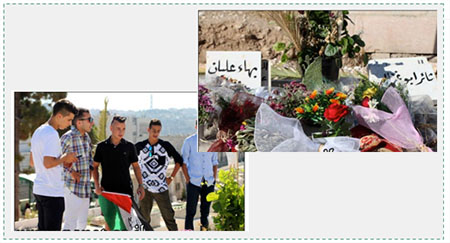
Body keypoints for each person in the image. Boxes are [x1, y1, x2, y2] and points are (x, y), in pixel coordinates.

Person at [30, 99, 79, 231]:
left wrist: (61, 163)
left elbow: (32, 161)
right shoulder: (52, 134)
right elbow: (48, 163)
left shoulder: (38, 131)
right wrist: (65, 158)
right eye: (69, 120)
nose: (69, 124)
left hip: (40, 190)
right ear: (59, 116)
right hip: (52, 192)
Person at [92, 115, 145, 230]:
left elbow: (136, 167)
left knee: (125, 224)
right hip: (107, 191)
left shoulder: (129, 147)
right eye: (118, 128)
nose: (121, 132)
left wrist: (141, 185)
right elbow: (95, 167)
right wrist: (97, 185)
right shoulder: (101, 147)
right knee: (109, 223)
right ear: (111, 128)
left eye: (123, 129)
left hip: (125, 192)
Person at [135, 118, 186, 231]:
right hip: (145, 189)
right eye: (154, 130)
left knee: (169, 217)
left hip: (161, 188)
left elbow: (179, 161)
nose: (156, 133)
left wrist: (171, 177)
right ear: (148, 130)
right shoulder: (139, 146)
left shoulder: (166, 146)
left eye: (158, 131)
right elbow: (130, 162)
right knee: (143, 219)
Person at [60, 108, 94, 230]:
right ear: (79, 122)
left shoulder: (87, 138)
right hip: (72, 188)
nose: (92, 122)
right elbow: (56, 161)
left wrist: (90, 168)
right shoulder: (67, 138)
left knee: (82, 225)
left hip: (85, 189)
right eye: (89, 119)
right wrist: (71, 172)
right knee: (70, 224)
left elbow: (90, 157)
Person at [181, 121, 218, 231]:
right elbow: (183, 162)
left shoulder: (212, 142)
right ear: (196, 126)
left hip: (209, 181)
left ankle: (204, 232)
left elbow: (215, 162)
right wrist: (188, 179)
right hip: (193, 181)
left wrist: (214, 178)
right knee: (190, 211)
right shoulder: (189, 141)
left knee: (205, 212)